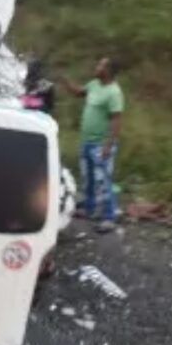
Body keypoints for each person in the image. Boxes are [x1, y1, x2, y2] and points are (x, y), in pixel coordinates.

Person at [61, 57, 125, 234]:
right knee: (88, 178)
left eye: (101, 65)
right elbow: (79, 93)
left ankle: (109, 217)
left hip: (101, 145)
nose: (97, 67)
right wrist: (66, 82)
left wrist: (107, 146)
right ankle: (89, 209)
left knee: (103, 181)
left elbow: (116, 121)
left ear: (109, 71)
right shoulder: (94, 84)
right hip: (87, 142)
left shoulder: (114, 92)